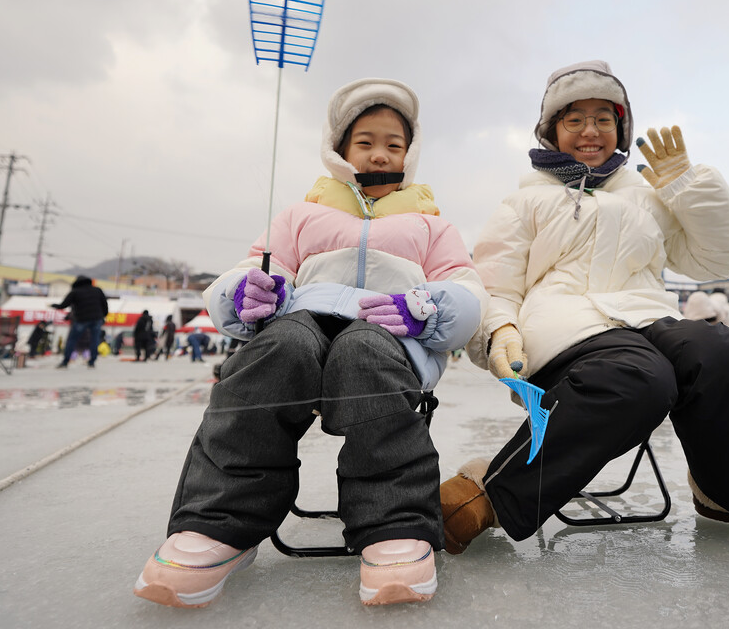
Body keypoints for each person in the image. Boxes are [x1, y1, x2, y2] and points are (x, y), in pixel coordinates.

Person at [133, 77, 485, 609]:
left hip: (389, 332)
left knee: (362, 352)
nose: (380, 152)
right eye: (365, 140)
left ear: (409, 153)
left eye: (394, 142)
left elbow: (466, 288)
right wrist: (248, 290)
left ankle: (393, 528)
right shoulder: (301, 214)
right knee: (281, 349)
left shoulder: (432, 224)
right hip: (303, 320)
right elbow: (253, 266)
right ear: (340, 149)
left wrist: (431, 308)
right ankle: (218, 525)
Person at [438, 60, 729, 562]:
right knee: (638, 377)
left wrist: (685, 186)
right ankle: (492, 490)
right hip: (564, 331)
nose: (590, 131)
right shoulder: (524, 202)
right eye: (574, 118)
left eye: (604, 118)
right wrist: (501, 330)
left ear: (620, 128)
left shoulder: (646, 197)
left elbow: (715, 258)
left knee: (721, 351)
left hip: (646, 316)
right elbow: (495, 280)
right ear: (552, 130)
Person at [51, 275, 109, 369]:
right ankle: (92, 362)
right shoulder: (97, 290)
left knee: (72, 340)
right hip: (96, 319)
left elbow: (64, 305)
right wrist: (103, 316)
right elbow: (104, 304)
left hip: (81, 320)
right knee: (94, 340)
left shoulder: (75, 292)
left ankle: (65, 361)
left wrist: (54, 305)